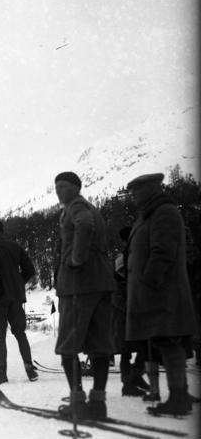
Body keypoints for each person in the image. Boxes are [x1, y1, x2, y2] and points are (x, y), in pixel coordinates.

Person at [124, 173, 198, 416]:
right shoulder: (149, 214)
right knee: (164, 344)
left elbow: (163, 252)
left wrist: (148, 283)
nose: (132, 195)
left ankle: (179, 397)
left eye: (136, 190)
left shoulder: (163, 212)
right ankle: (179, 395)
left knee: (170, 343)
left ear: (151, 189)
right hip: (155, 293)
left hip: (162, 293)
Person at [52, 171, 116, 420]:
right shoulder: (90, 206)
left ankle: (77, 403)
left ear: (76, 188)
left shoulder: (76, 206)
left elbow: (85, 225)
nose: (59, 191)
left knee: (68, 345)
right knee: (100, 347)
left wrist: (76, 259)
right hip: (100, 282)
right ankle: (98, 403)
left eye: (63, 186)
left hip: (79, 285)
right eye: (56, 187)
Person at [0, 219, 39, 384]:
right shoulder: (15, 247)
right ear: (2, 231)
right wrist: (17, 283)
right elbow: (29, 270)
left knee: (0, 337)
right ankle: (29, 368)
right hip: (15, 297)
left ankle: (2, 373)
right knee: (20, 334)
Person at [111, 226, 151, 397]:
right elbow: (116, 300)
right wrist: (129, 305)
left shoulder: (131, 271)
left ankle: (136, 375)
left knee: (145, 349)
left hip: (133, 317)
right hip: (122, 320)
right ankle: (127, 383)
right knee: (126, 352)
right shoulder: (116, 283)